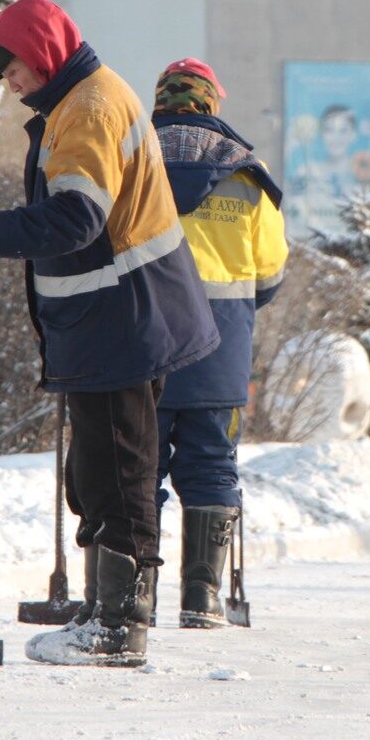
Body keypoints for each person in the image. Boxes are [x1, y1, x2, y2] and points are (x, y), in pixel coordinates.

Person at [0, 0, 217, 667]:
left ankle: (119, 626)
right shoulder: (78, 101)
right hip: (114, 317)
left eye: (15, 71)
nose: (13, 86)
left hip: (122, 316)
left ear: (42, 54)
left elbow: (75, 220)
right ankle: (107, 611)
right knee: (99, 470)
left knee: (118, 470)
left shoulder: (86, 110)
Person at [151, 59, 287, 627]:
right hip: (219, 349)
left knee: (134, 468)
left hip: (142, 345)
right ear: (212, 104)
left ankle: (127, 599)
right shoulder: (248, 177)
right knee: (211, 465)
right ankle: (202, 599)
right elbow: (270, 274)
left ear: (160, 102)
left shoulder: (131, 161)